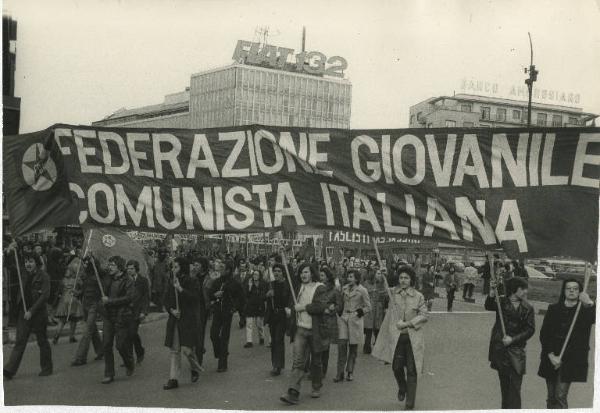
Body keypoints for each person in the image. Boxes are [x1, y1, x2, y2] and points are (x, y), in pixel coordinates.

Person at [372, 265, 428, 410]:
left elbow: (424, 315)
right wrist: (381, 276)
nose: (403, 280)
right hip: (396, 338)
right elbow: (379, 292)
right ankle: (402, 386)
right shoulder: (392, 293)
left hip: (412, 338)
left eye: (406, 278)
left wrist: (408, 323)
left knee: (412, 369)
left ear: (411, 280)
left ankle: (410, 403)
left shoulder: (418, 296)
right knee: (396, 367)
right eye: (401, 277)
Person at [538, 278, 595, 408]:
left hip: (571, 359)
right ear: (564, 291)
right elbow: (544, 334)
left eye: (575, 289)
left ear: (580, 292)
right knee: (551, 397)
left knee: (560, 396)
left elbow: (595, 318)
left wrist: (590, 302)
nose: (572, 291)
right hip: (551, 357)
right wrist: (551, 355)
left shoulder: (584, 312)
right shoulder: (553, 309)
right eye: (568, 288)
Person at [280, 263, 329, 404]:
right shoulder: (298, 287)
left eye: (306, 272)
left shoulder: (320, 287)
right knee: (298, 361)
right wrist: (291, 309)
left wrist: (303, 308)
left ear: (312, 273)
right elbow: (292, 301)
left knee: (316, 361)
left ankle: (316, 386)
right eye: (301, 272)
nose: (303, 275)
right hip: (301, 329)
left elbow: (320, 307)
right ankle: (293, 392)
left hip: (316, 330)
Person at [485, 277, 535, 409]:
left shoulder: (528, 308)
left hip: (517, 351)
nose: (526, 291)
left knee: (514, 389)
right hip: (500, 350)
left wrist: (513, 339)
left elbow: (530, 330)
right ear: (514, 290)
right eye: (522, 289)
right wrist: (491, 291)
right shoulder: (502, 302)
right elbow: (489, 305)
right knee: (505, 388)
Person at [4, 251, 53, 379]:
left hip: (38, 313)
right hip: (23, 313)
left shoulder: (44, 276)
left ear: (36, 263)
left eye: (30, 261)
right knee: (20, 341)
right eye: (26, 262)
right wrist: (9, 251)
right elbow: (10, 265)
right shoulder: (23, 274)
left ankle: (47, 368)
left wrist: (31, 311)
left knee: (42, 341)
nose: (28, 264)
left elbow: (44, 296)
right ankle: (9, 370)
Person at [163, 257, 203, 390]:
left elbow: (195, 299)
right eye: (172, 267)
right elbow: (166, 300)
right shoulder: (171, 281)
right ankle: (173, 378)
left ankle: (194, 368)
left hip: (187, 320)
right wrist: (172, 310)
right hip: (175, 320)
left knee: (187, 350)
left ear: (183, 268)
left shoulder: (192, 281)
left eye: (176, 267)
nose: (173, 270)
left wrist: (180, 289)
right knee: (175, 350)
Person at [100, 255, 135, 384]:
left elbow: (129, 298)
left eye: (112, 265)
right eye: (109, 265)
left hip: (122, 316)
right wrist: (91, 259)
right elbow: (97, 271)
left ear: (119, 267)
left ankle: (129, 362)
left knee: (120, 345)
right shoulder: (108, 279)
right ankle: (109, 373)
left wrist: (110, 301)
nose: (109, 267)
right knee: (106, 344)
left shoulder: (128, 280)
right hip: (109, 316)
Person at [334, 269, 371, 382]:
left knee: (353, 347)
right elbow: (340, 302)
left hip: (355, 320)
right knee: (342, 346)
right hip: (344, 318)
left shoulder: (362, 290)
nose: (349, 278)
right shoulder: (344, 289)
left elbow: (368, 307)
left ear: (356, 278)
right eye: (348, 276)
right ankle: (339, 373)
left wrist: (359, 312)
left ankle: (350, 371)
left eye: (351, 276)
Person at [209, 259, 245, 372]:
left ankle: (222, 364)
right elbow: (210, 294)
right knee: (213, 334)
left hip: (227, 312)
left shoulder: (235, 283)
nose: (220, 269)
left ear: (229, 270)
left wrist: (234, 308)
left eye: (222, 268)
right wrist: (215, 295)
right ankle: (220, 353)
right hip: (217, 311)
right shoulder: (216, 281)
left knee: (224, 337)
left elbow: (241, 298)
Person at [71, 256, 104, 366]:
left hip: (94, 305)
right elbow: (84, 290)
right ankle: (100, 351)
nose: (84, 265)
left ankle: (80, 358)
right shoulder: (85, 275)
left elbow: (102, 290)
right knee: (92, 329)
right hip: (85, 304)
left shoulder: (99, 275)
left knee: (87, 331)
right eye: (84, 263)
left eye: (86, 263)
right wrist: (77, 293)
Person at [265, 263, 292, 376]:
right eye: (275, 271)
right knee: (273, 341)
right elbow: (264, 297)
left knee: (278, 339)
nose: (276, 273)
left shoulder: (287, 285)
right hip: (272, 316)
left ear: (283, 272)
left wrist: (276, 295)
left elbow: (288, 300)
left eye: (279, 271)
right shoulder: (271, 284)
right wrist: (267, 295)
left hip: (282, 315)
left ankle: (278, 366)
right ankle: (275, 364)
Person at [52, 255, 84, 344]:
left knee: (62, 320)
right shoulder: (78, 280)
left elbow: (59, 291)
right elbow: (82, 289)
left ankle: (56, 336)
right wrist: (77, 292)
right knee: (73, 319)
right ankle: (71, 336)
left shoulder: (63, 280)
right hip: (73, 299)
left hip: (64, 300)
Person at [319, 267, 342, 378]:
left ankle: (323, 370)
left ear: (328, 277)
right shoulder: (317, 288)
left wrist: (332, 309)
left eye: (322, 275)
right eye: (320, 275)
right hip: (318, 319)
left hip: (328, 320)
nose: (320, 277)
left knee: (325, 346)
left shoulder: (334, 290)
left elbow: (339, 306)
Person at [128, 259, 149, 365]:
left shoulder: (143, 281)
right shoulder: (125, 280)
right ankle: (129, 357)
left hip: (137, 311)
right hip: (126, 311)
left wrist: (144, 312)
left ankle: (139, 351)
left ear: (136, 269)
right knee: (126, 335)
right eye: (128, 268)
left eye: (131, 268)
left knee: (132, 333)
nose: (129, 271)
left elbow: (146, 297)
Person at [190, 255, 209, 367]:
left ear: (203, 266)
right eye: (194, 265)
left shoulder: (209, 277)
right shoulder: (192, 277)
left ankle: (198, 361)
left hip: (202, 308)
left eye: (197, 265)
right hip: (192, 307)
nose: (195, 267)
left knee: (199, 333)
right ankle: (199, 348)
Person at [363, 268, 387, 354]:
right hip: (370, 307)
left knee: (378, 327)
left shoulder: (382, 283)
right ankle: (367, 345)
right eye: (378, 273)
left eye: (380, 273)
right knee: (369, 327)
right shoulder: (367, 283)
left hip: (379, 307)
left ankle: (378, 344)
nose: (379, 275)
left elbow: (386, 293)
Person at [243, 269, 267, 348]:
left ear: (259, 275)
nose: (255, 276)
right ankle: (249, 341)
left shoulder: (263, 284)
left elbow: (264, 296)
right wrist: (249, 287)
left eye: (256, 274)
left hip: (259, 306)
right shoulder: (249, 283)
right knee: (249, 324)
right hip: (250, 306)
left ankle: (261, 337)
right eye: (254, 274)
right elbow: (246, 294)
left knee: (259, 324)